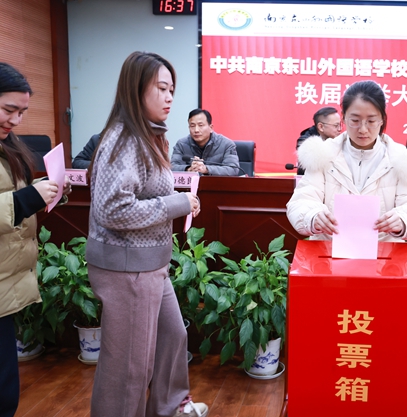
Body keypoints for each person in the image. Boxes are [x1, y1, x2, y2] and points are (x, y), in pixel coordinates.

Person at [86, 52, 208, 417]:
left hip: (150, 264)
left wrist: (177, 201)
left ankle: (170, 407)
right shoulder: (124, 139)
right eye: (161, 88)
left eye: (172, 90)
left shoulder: (149, 136)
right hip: (127, 269)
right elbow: (112, 210)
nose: (169, 97)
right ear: (136, 89)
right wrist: (178, 203)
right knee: (128, 366)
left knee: (173, 336)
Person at [0, 62, 71, 417]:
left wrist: (46, 190)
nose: (15, 120)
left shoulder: (7, 144)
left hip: (5, 281)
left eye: (22, 112)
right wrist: (28, 198)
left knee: (6, 386)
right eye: (8, 110)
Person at [287, 80, 407, 242]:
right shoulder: (323, 154)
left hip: (384, 251)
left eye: (371, 121)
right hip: (328, 249)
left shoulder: (401, 159)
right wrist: (313, 216)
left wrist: (404, 220)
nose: (363, 129)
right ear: (344, 118)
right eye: (355, 121)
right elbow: (302, 200)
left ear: (382, 119)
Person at [170, 108, 240, 176]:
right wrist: (188, 169)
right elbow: (171, 167)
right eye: (192, 126)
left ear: (211, 128)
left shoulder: (227, 144)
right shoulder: (181, 144)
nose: (196, 130)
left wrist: (206, 169)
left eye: (200, 125)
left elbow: (233, 169)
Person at [294, 107, 342, 174]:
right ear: (321, 127)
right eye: (336, 126)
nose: (340, 129)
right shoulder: (306, 142)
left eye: (340, 125)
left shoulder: (339, 140)